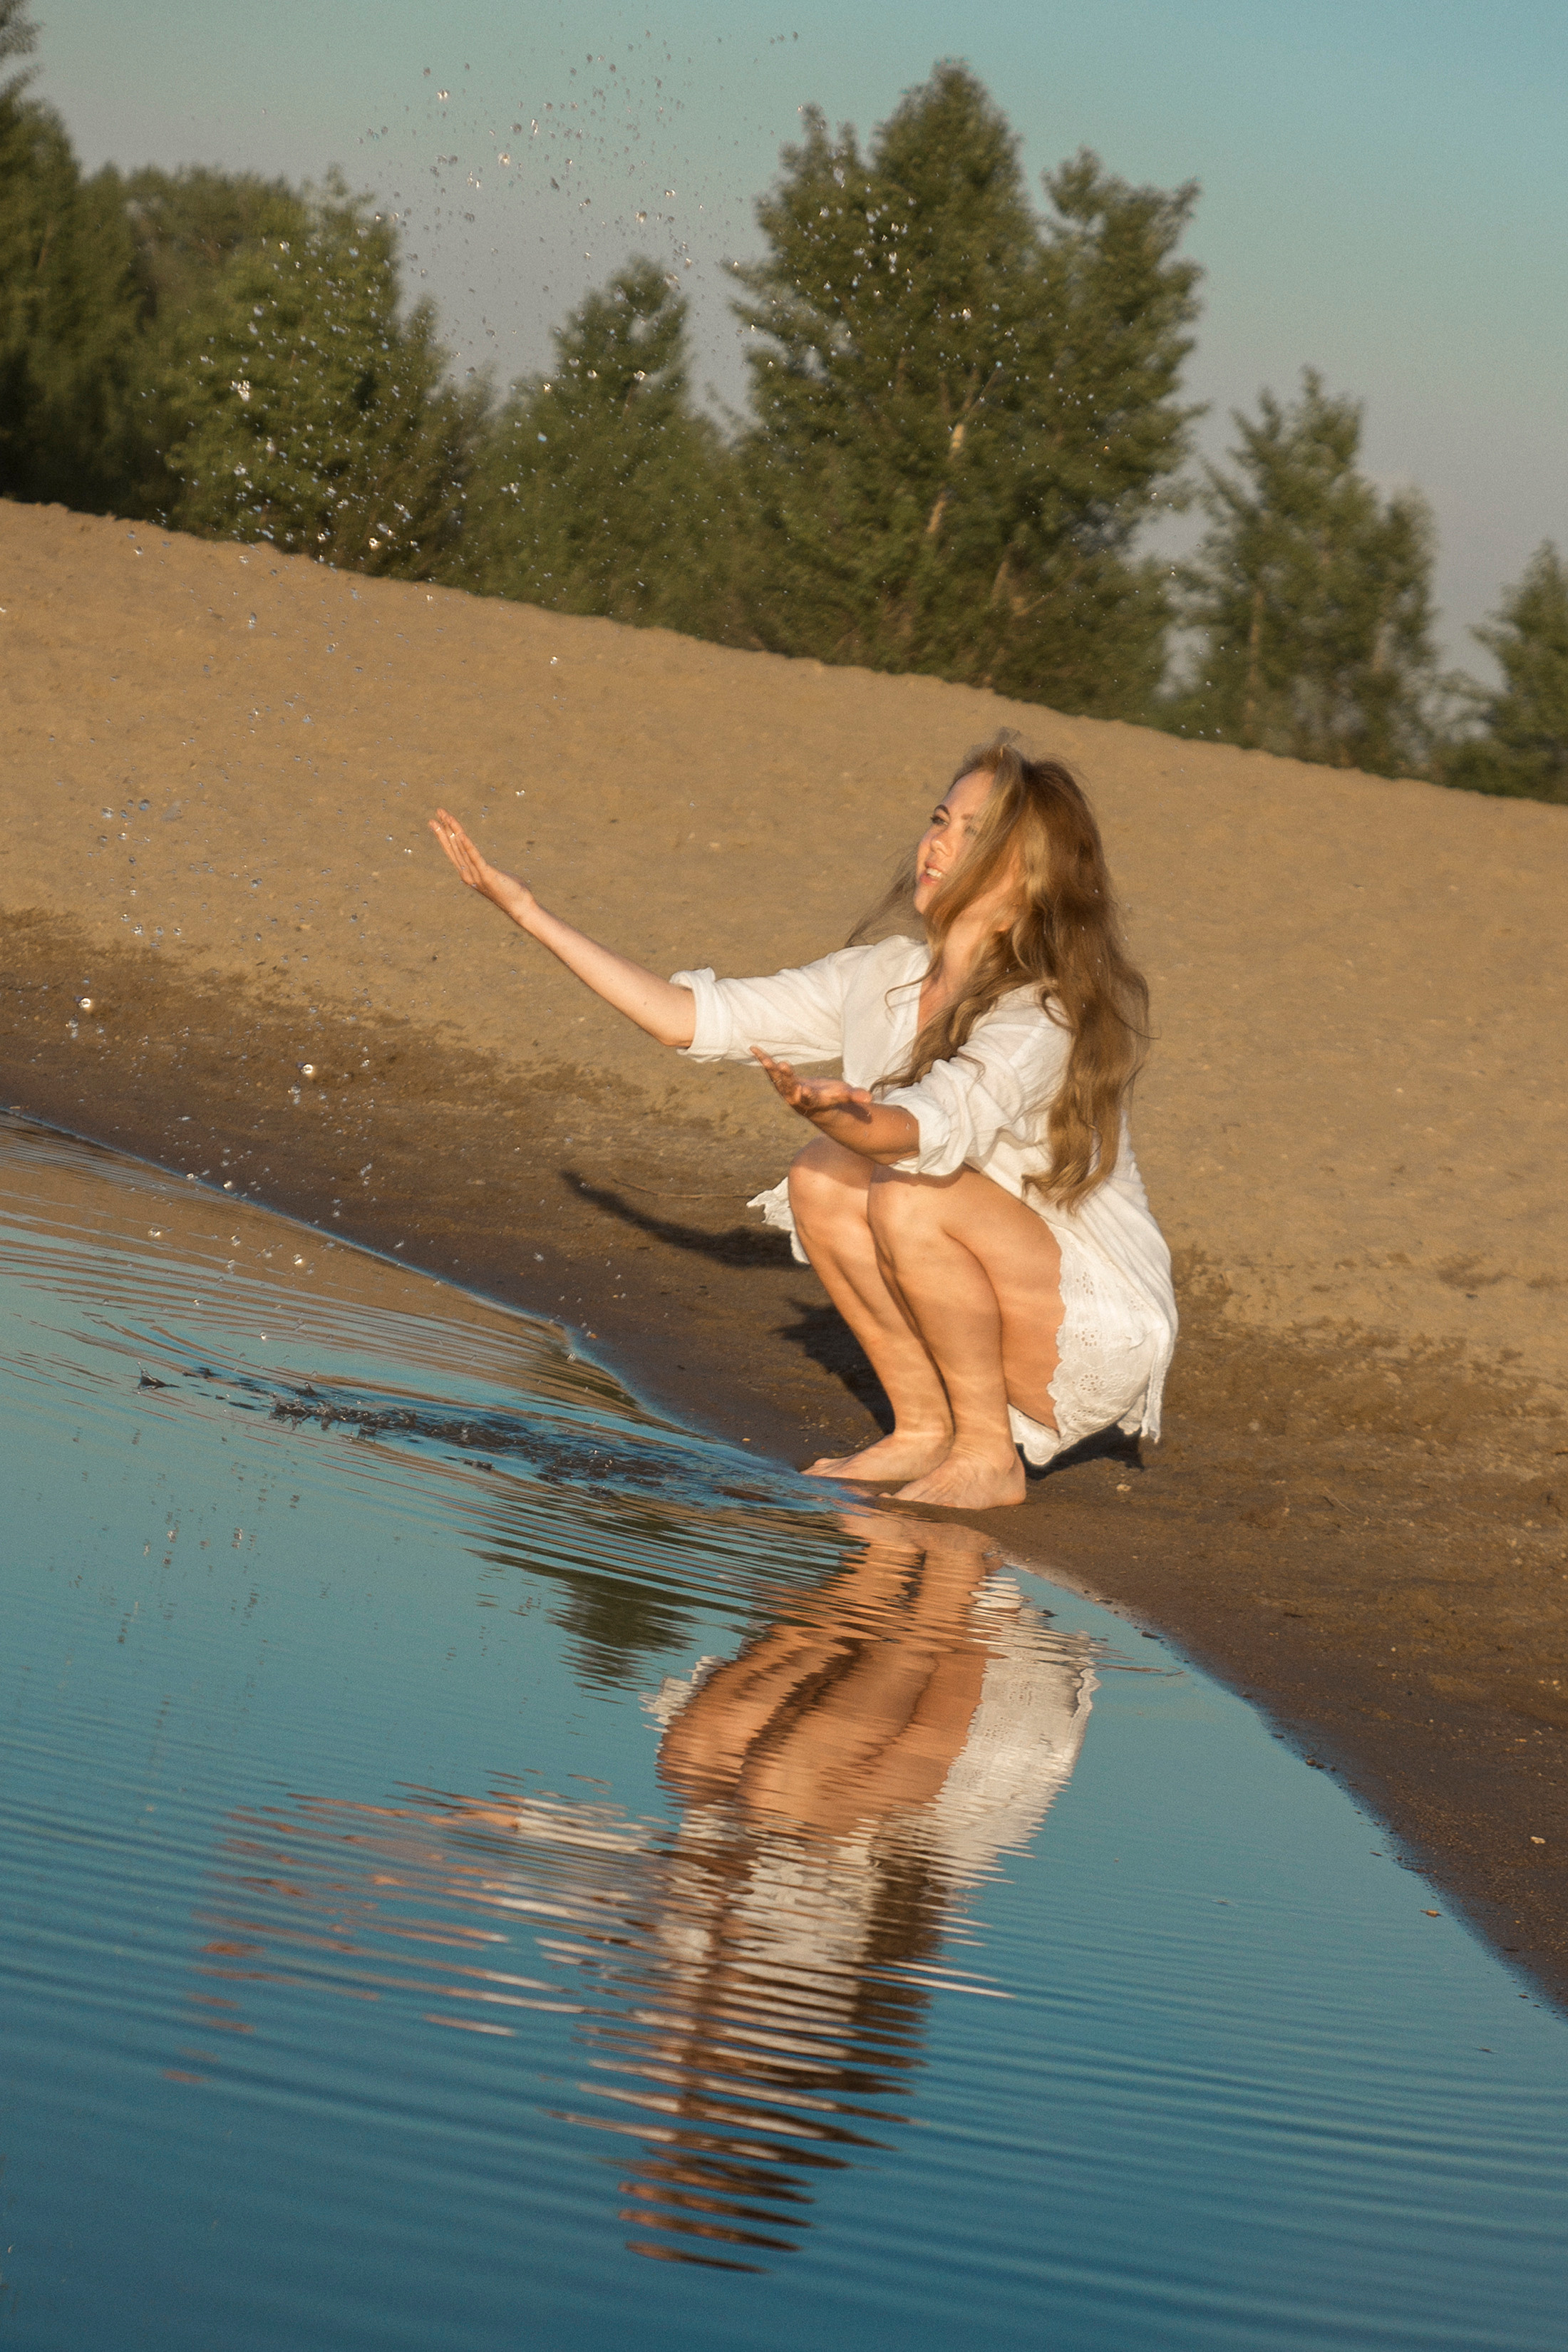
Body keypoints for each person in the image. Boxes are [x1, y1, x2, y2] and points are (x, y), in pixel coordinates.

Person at [429, 733, 1176, 1510]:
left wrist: (852, 1115)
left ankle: (989, 1456)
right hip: (985, 1270)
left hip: (1090, 1322)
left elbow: (925, 1129)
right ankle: (923, 1429)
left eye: (972, 833)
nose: (937, 844)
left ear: (1031, 880)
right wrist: (529, 913)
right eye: (939, 819)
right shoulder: (883, 976)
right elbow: (687, 1019)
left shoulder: (1039, 1015)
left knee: (907, 1191)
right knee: (821, 1174)